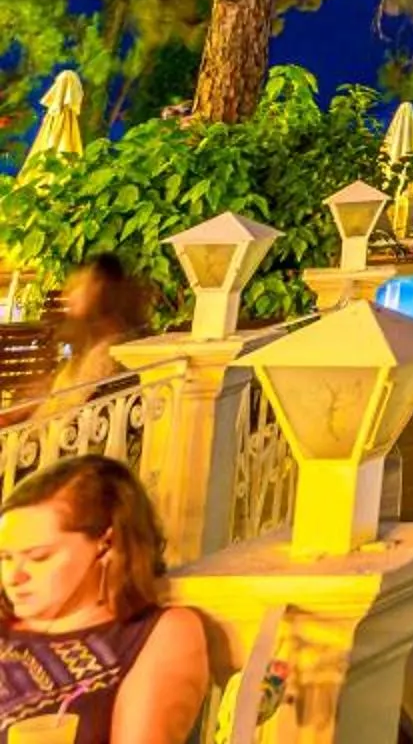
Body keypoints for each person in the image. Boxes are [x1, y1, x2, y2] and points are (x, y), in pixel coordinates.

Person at [0, 456, 208, 744]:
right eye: (5, 558)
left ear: (106, 544)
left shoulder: (156, 634)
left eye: (39, 557)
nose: (14, 576)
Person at [46, 260, 151, 399]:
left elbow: (65, 412)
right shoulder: (86, 349)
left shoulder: (108, 354)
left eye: (77, 286)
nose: (66, 297)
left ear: (102, 289)